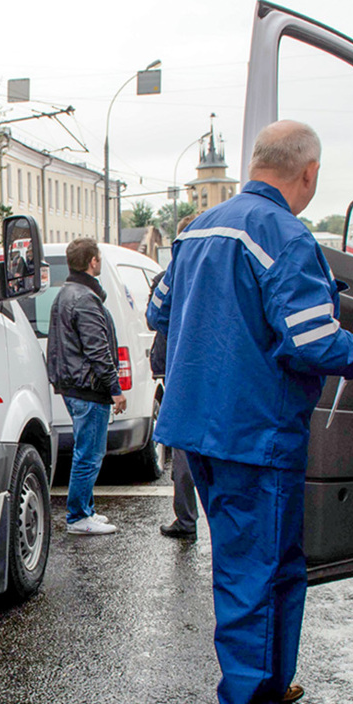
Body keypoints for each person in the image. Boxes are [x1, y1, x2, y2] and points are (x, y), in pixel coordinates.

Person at [146, 120, 353, 704]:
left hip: (199, 428)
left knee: (258, 567)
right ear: (307, 174)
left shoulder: (199, 228)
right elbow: (311, 341)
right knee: (261, 571)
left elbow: (156, 310)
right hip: (257, 432)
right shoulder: (288, 236)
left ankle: (269, 681)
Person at [47, 237, 127, 535]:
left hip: (74, 385)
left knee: (87, 449)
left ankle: (86, 510)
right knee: (90, 453)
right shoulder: (84, 298)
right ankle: (79, 517)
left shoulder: (67, 293)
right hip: (89, 388)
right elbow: (98, 351)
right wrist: (115, 389)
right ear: (92, 261)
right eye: (99, 258)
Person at [150, 215, 198, 541]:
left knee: (182, 447)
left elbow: (154, 314)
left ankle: (186, 519)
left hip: (180, 369)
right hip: (220, 372)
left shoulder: (175, 269)